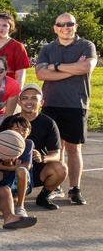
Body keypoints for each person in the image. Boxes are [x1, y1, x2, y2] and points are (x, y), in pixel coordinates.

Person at [35, 12, 98, 205]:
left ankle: (74, 188)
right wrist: (72, 69)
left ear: (75, 26)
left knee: (73, 148)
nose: (65, 27)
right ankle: (56, 186)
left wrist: (56, 67)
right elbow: (40, 74)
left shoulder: (86, 46)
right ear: (55, 28)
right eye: (61, 24)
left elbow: (86, 67)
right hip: (51, 102)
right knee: (56, 147)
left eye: (69, 24)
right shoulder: (47, 48)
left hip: (76, 104)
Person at [16, 83, 68, 211]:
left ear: (42, 102)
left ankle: (44, 196)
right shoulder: (10, 121)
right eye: (25, 98)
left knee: (61, 168)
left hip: (35, 169)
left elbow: (56, 153)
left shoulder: (48, 123)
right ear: (19, 101)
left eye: (34, 98)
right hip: (12, 168)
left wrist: (42, 158)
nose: (29, 101)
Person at [0, 115, 35, 215]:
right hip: (5, 181)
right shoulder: (3, 142)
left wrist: (3, 167)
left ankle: (20, 206)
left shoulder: (28, 143)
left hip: (22, 182)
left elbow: (26, 166)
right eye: (17, 129)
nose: (21, 133)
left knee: (21, 170)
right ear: (9, 131)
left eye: (24, 129)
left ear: (29, 131)